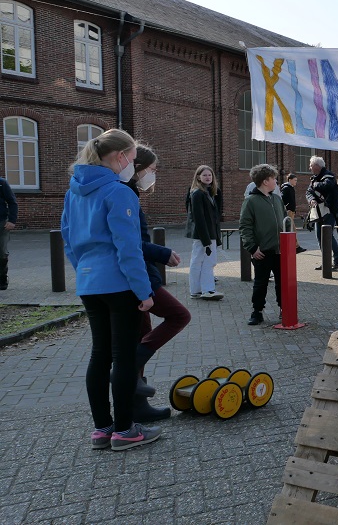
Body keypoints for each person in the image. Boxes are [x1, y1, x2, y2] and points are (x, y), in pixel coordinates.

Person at [61, 128, 161, 451]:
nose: (133, 166)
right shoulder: (120, 193)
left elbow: (68, 240)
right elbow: (129, 249)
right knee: (124, 357)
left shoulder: (73, 192)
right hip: (119, 285)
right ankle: (125, 430)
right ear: (120, 158)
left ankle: (102, 429)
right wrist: (144, 292)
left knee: (99, 355)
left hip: (89, 284)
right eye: (132, 159)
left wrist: (86, 274)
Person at [128, 145, 190, 423]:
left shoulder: (130, 192)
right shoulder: (124, 194)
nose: (153, 175)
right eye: (152, 170)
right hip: (138, 277)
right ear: (136, 166)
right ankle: (130, 368)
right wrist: (163, 254)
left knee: (141, 333)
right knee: (179, 315)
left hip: (135, 276)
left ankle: (136, 403)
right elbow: (131, 244)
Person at [239, 164, 285, 325]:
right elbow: (245, 226)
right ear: (265, 181)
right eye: (274, 179)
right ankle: (257, 311)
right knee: (260, 283)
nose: (276, 182)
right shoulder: (251, 201)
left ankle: (284, 309)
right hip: (263, 251)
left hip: (281, 251)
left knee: (282, 282)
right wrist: (252, 248)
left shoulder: (277, 199)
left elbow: (286, 221)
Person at [186, 165, 224, 300]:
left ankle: (197, 290)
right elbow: (198, 218)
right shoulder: (197, 193)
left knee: (201, 260)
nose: (208, 177)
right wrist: (206, 240)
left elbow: (216, 216)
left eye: (210, 175)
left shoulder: (212, 193)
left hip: (210, 233)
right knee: (204, 261)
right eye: (205, 175)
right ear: (198, 177)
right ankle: (207, 289)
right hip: (203, 234)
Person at [305, 156, 338, 270]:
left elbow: (327, 186)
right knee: (320, 237)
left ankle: (337, 261)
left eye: (311, 165)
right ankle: (326, 261)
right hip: (318, 211)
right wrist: (311, 199)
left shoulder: (329, 176)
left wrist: (314, 186)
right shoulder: (314, 178)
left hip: (328, 211)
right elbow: (308, 192)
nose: (310, 168)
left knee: (328, 236)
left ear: (317, 166)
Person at [0, 174, 17, 290]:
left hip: (1, 223)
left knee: (1, 252)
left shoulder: (2, 183)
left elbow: (12, 202)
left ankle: (2, 279)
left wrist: (11, 220)